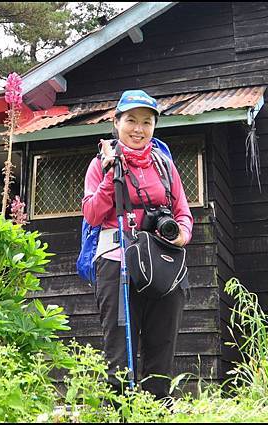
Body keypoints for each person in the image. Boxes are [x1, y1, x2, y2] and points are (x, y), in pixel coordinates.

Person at [82, 89, 194, 400]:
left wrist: (181, 235)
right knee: (120, 354)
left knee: (161, 350)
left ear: (154, 127)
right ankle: (121, 414)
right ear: (116, 123)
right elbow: (92, 213)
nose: (138, 129)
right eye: (131, 120)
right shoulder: (99, 165)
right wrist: (110, 174)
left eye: (147, 122)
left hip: (162, 262)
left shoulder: (164, 165)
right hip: (117, 260)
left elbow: (183, 213)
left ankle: (157, 411)